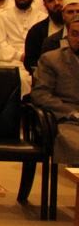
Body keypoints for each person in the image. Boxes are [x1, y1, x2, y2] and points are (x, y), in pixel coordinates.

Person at [30, 20, 79, 164]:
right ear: (67, 36)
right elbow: (40, 95)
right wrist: (71, 113)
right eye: (75, 34)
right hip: (69, 119)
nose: (78, 39)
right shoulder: (52, 60)